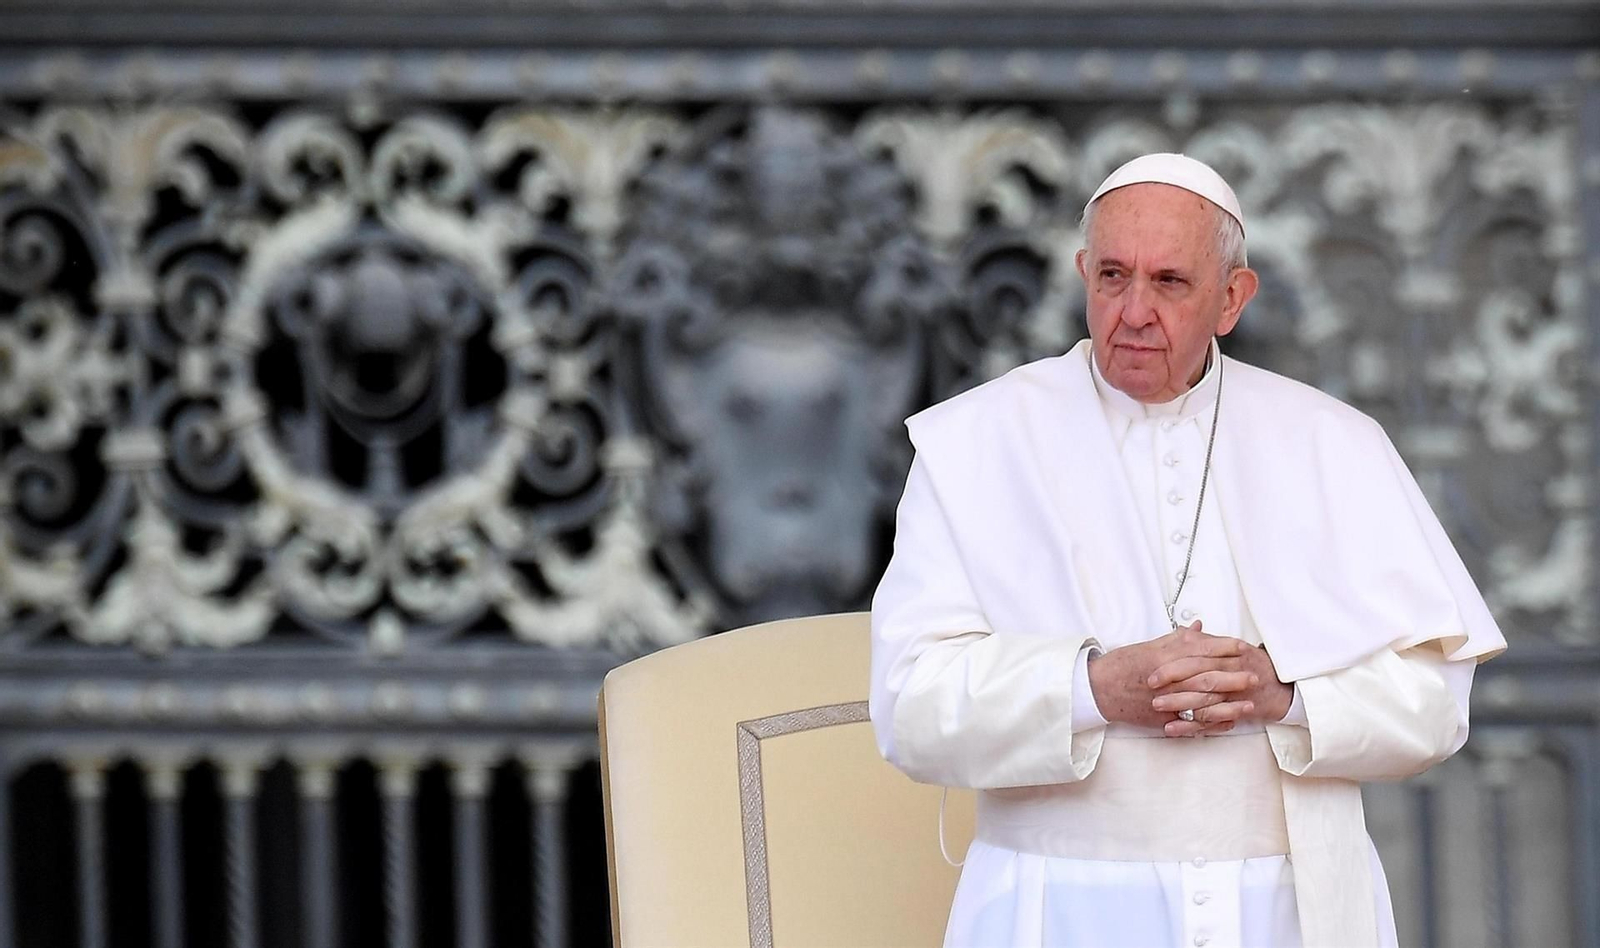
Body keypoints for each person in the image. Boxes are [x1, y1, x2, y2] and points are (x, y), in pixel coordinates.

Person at [868, 153, 1506, 948]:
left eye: (1169, 281)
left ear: (1232, 299)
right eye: (1111, 276)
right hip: (1055, 911)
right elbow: (908, 708)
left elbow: (1435, 706)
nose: (1133, 311)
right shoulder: (973, 444)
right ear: (1081, 275)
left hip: (1287, 912)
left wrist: (1280, 694)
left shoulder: (1331, 443)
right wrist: (1093, 687)